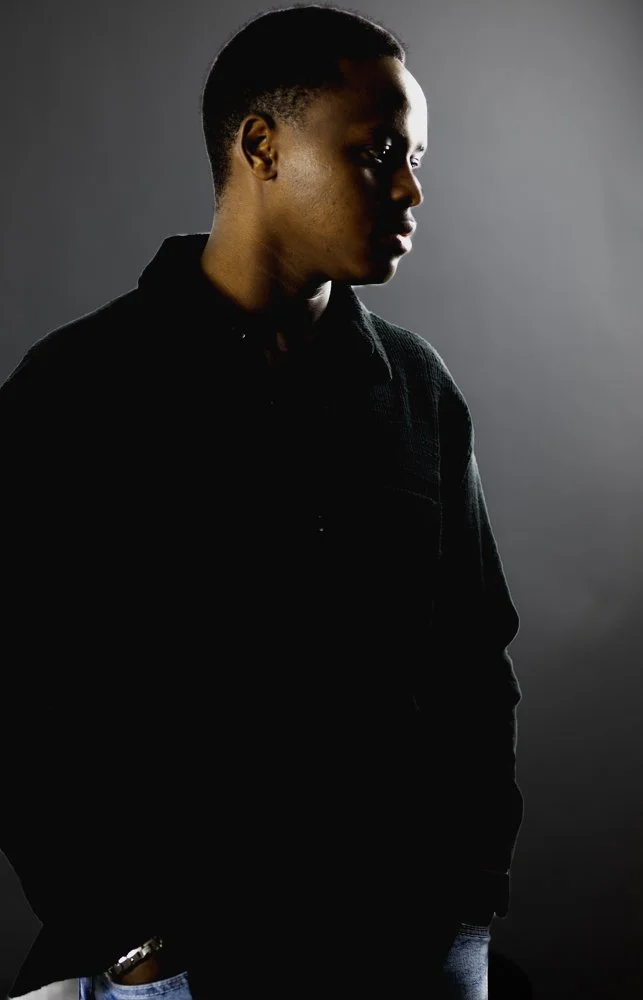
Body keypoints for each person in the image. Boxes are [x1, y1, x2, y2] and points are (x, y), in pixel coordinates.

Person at [1, 5, 523, 999]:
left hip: (405, 952)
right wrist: (133, 938)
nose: (411, 190)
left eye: (415, 158)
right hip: (180, 964)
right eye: (377, 154)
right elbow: (19, 692)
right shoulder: (79, 387)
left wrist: (469, 906)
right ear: (260, 146)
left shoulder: (416, 387)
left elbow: (473, 659)